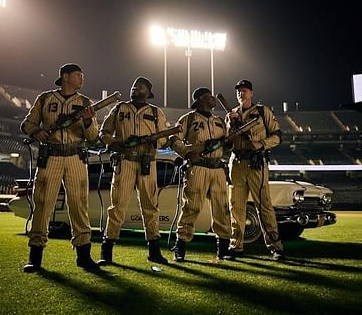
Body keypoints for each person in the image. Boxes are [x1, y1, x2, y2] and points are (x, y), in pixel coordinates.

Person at [20, 63, 99, 272]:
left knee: (79, 205)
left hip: (75, 156)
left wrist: (89, 120)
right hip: (51, 155)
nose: (82, 78)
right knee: (43, 204)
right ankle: (35, 256)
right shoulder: (45, 99)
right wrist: (36, 132)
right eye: (78, 75)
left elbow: (92, 137)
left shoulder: (85, 102)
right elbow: (26, 124)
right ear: (65, 77)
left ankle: (83, 255)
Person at [97, 76, 169, 265]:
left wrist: (154, 140)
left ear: (148, 92)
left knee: (150, 206)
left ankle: (154, 250)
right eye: (134, 85)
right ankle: (107, 250)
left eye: (140, 86)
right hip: (125, 161)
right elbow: (103, 132)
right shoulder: (119, 108)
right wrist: (113, 143)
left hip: (147, 162)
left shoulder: (155, 112)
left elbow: (164, 139)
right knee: (117, 205)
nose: (135, 88)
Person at [170, 87, 232, 262]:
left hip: (218, 168)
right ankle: (180, 246)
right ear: (199, 99)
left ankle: (223, 248)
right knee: (191, 207)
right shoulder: (188, 119)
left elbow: (227, 145)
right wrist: (187, 153)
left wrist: (229, 142)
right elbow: (173, 139)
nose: (213, 98)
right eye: (209, 96)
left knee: (222, 209)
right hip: (197, 167)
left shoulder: (220, 120)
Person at [226, 79, 285, 261]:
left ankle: (276, 247)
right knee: (236, 206)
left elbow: (278, 137)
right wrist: (230, 129)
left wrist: (261, 144)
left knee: (263, 206)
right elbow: (226, 144)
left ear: (251, 93)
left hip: (256, 163)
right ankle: (236, 246)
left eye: (244, 90)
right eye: (238, 91)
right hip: (236, 163)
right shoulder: (231, 114)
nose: (240, 93)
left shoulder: (262, 111)